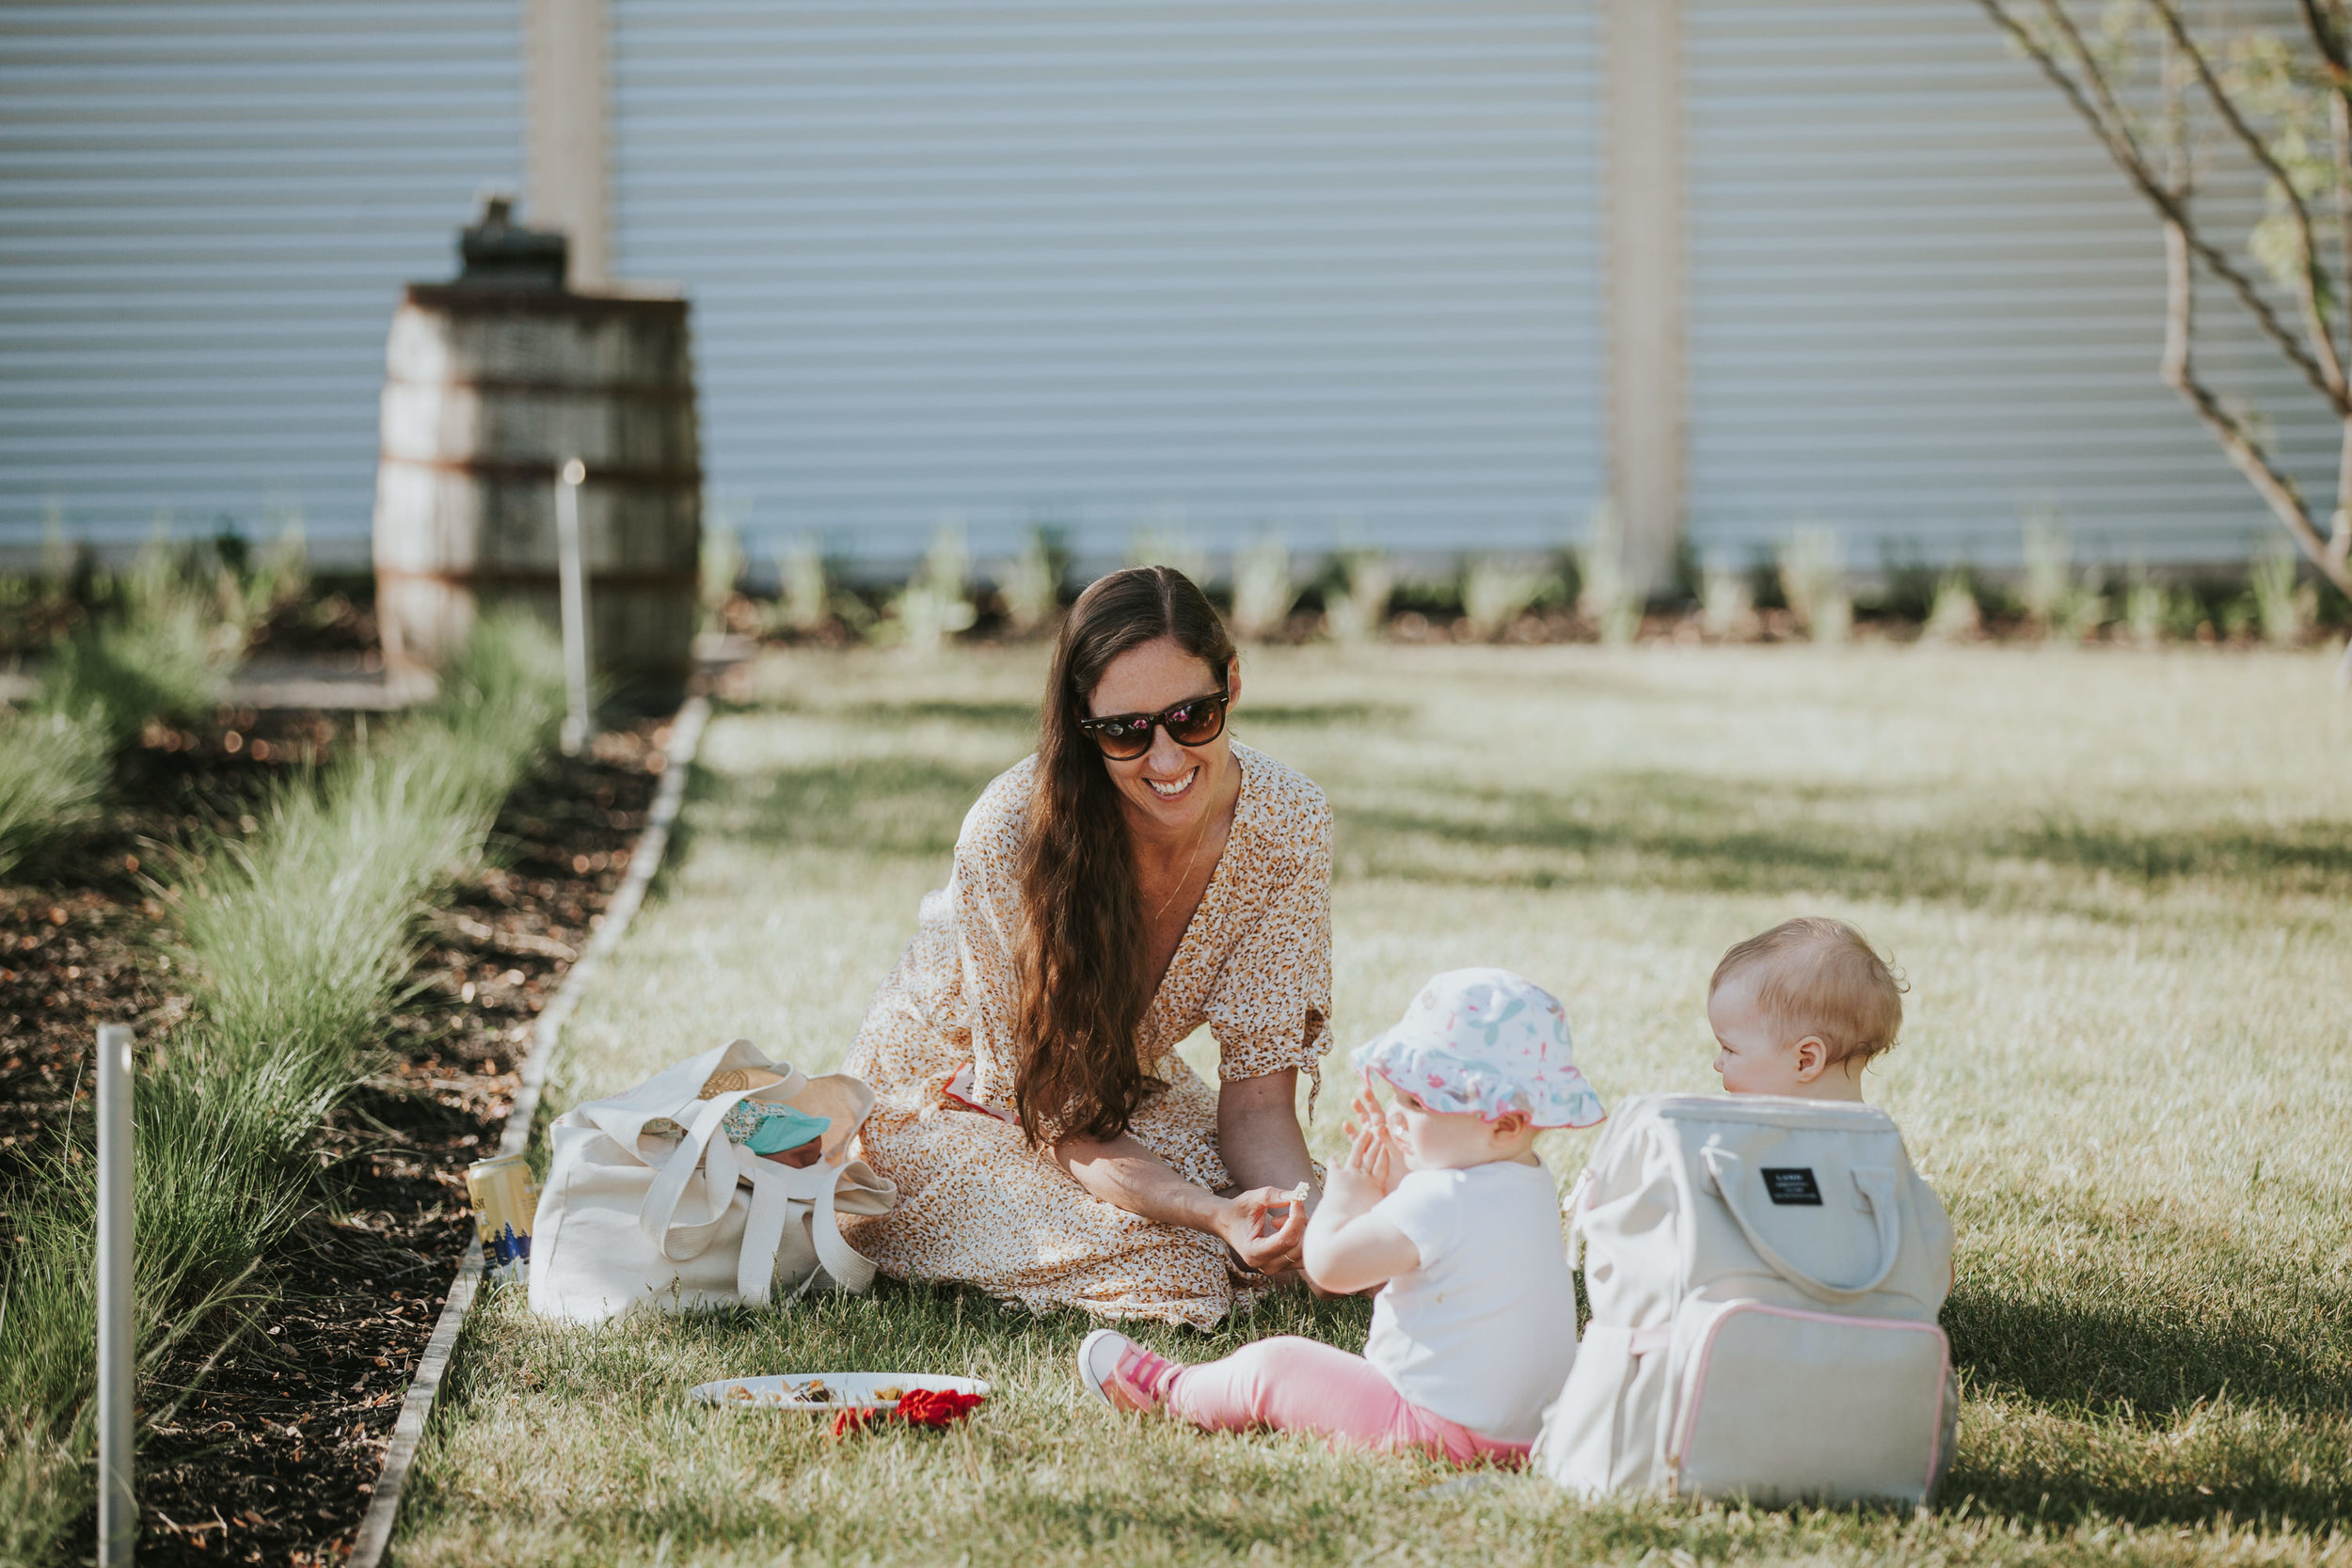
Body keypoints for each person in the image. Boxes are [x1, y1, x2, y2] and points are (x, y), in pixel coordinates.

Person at [840, 565, 1330, 1326]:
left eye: (1192, 715)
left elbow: (1260, 1104)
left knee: (1305, 1231)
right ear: (1082, 724)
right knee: (1184, 1265)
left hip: (1113, 1083)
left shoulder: (1289, 824)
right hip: (941, 1099)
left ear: (1232, 684)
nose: (1166, 759)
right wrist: (1207, 1216)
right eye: (1127, 731)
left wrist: (1304, 1229)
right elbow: (1058, 1114)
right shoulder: (1011, 833)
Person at [1074, 969, 1605, 1464]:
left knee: (1275, 1367)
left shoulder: (1439, 1201)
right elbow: (1440, 1252)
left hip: (1433, 1428)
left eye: (1419, 1103)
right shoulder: (1532, 1183)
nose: (1397, 1114)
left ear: (1505, 1123)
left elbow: (1329, 1269)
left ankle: (1169, 1394)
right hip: (1532, 1431)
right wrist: (1399, 1186)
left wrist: (1348, 1198)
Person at [1707, 916, 1906, 1101]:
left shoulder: (1755, 1137)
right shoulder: (1879, 1136)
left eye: (1730, 1049)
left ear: (1806, 1060)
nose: (1718, 1064)